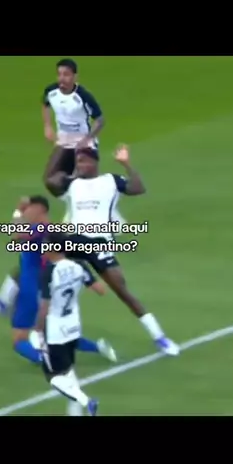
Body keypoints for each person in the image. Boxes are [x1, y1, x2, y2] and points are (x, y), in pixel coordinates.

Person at [45, 145, 180, 357]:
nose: (80, 165)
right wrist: (64, 148)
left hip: (100, 242)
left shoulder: (111, 181)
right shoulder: (72, 184)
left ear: (95, 162)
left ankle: (159, 337)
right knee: (42, 263)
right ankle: (31, 323)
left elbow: (138, 188)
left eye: (84, 161)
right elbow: (50, 181)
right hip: (75, 239)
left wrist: (126, 164)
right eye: (78, 161)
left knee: (123, 291)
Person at [0, 196, 117, 367]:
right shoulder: (55, 233)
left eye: (29, 208)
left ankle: (45, 360)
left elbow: (17, 235)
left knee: (19, 340)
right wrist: (91, 280)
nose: (26, 212)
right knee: (58, 334)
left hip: (31, 290)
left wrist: (18, 211)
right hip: (48, 287)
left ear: (39, 210)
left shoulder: (40, 229)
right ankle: (97, 347)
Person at [35, 245, 99, 417]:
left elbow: (45, 305)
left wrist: (38, 328)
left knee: (54, 377)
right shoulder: (79, 265)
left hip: (55, 331)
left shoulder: (49, 272)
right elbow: (100, 289)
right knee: (69, 373)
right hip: (73, 327)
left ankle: (87, 401)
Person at [42, 59, 104, 184]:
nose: (62, 78)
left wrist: (87, 139)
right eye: (59, 74)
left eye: (66, 74)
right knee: (50, 180)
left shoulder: (83, 96)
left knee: (83, 181)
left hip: (83, 141)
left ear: (75, 77)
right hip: (63, 140)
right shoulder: (51, 91)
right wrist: (47, 126)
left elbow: (100, 120)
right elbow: (45, 104)